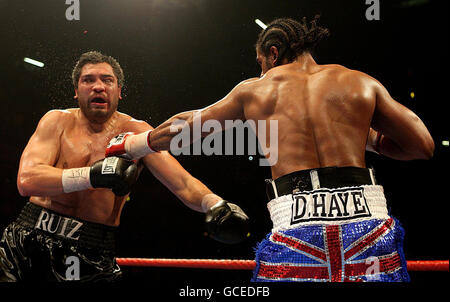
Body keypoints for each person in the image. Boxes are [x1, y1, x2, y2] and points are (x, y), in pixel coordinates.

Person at [105, 16, 434, 282]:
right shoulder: (360, 82)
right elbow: (422, 147)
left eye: (261, 63)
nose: (260, 71)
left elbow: (187, 126)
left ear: (273, 53)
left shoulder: (256, 89)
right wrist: (371, 140)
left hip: (298, 232)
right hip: (369, 225)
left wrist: (134, 144)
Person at [0, 51, 249, 282]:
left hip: (92, 249)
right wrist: (93, 176)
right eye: (88, 80)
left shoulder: (137, 133)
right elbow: (27, 180)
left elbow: (182, 183)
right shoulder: (56, 121)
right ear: (76, 90)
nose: (98, 86)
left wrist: (214, 204)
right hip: (27, 240)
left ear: (119, 91)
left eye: (107, 80)